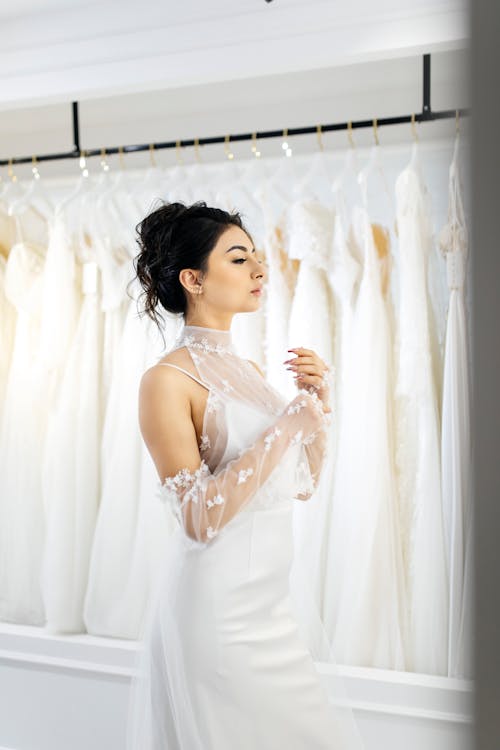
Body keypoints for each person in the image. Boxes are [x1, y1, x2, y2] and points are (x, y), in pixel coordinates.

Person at [125, 200, 365, 749]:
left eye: (258, 257)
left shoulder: (251, 373)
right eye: (239, 259)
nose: (260, 269)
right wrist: (285, 427)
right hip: (218, 617)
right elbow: (197, 519)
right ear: (193, 279)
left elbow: (299, 484)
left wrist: (315, 402)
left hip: (271, 610)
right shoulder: (165, 381)